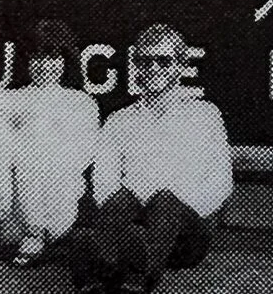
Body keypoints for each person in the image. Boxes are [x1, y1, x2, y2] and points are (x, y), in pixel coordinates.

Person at [72, 24, 233, 294]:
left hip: (184, 234)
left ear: (180, 66)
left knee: (165, 200)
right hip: (130, 226)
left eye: (164, 61)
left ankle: (134, 280)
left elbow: (221, 181)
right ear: (136, 66)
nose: (154, 68)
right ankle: (98, 277)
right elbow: (104, 182)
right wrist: (136, 217)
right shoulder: (119, 120)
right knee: (121, 199)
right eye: (145, 61)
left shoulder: (205, 115)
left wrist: (175, 213)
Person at [0, 18, 99, 266]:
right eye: (37, 58)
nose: (44, 66)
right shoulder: (6, 98)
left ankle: (36, 234)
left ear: (65, 61)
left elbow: (79, 153)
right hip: (6, 207)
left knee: (38, 139)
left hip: (50, 203)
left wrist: (33, 140)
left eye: (53, 58)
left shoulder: (80, 102)